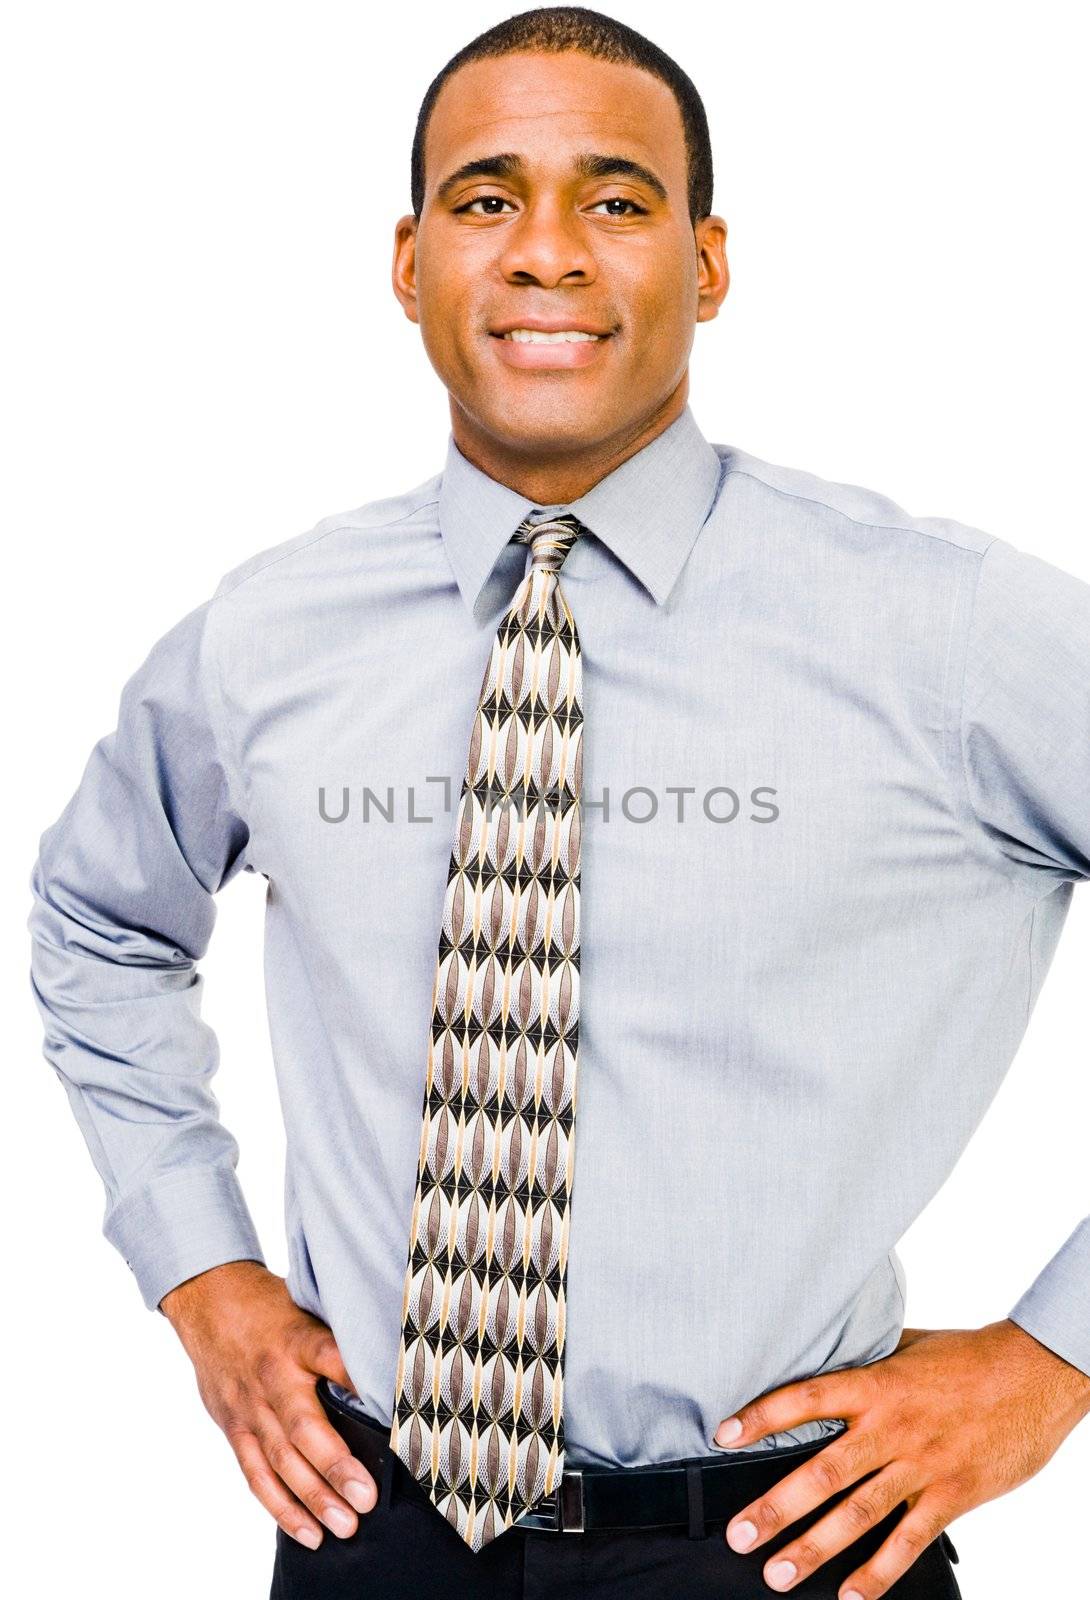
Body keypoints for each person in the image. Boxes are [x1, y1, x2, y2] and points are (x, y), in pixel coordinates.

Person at [27, 5, 1090, 1597]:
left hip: (786, 1545)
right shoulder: (265, 637)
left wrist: (1048, 1362)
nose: (545, 255)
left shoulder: (949, 631)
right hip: (366, 1534)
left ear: (707, 263)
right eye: (483, 200)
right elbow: (97, 925)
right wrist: (203, 1275)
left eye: (612, 199)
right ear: (408, 265)